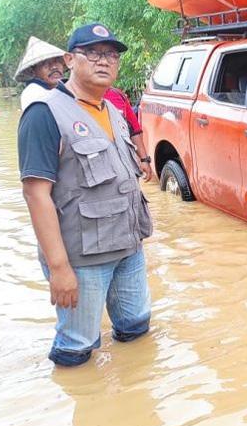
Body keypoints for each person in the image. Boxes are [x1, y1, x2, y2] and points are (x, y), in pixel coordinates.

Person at [18, 23, 153, 367]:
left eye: (111, 55)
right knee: (77, 348)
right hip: (83, 259)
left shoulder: (113, 111)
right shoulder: (44, 114)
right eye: (92, 53)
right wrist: (59, 268)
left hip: (129, 249)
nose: (103, 61)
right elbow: (36, 195)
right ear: (69, 59)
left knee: (136, 329)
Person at [103, 87, 153, 181]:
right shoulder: (74, 100)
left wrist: (144, 159)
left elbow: (134, 130)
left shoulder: (117, 94)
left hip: (125, 164)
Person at [15, 37, 66, 110]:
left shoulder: (60, 89)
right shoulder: (33, 93)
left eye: (57, 61)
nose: (54, 67)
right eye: (45, 63)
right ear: (33, 71)